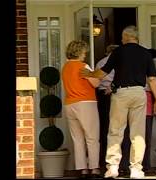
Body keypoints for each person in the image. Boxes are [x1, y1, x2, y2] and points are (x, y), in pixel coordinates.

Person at [81, 25, 156, 179]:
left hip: (121, 93)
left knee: (116, 130)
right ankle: (137, 169)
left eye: (122, 37)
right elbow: (152, 79)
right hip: (139, 92)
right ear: (136, 38)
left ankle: (113, 167)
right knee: (138, 133)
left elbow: (103, 72)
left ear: (126, 37)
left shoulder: (118, 51)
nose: (121, 39)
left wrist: (89, 73)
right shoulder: (146, 54)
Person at [61, 40, 101, 178]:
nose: (85, 54)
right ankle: (94, 168)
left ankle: (82, 169)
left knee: (77, 139)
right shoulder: (82, 66)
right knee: (92, 137)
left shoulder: (65, 67)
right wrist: (93, 74)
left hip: (69, 104)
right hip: (85, 103)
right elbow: (96, 83)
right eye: (84, 52)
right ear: (79, 52)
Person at [119, 83, 155, 174]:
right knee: (141, 138)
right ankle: (139, 166)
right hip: (142, 104)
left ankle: (129, 166)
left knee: (132, 137)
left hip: (136, 104)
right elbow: (152, 84)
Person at [95, 44, 119, 171]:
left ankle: (104, 162)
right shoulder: (119, 61)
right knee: (117, 128)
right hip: (116, 93)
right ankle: (118, 162)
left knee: (104, 128)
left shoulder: (100, 62)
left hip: (102, 95)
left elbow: (96, 79)